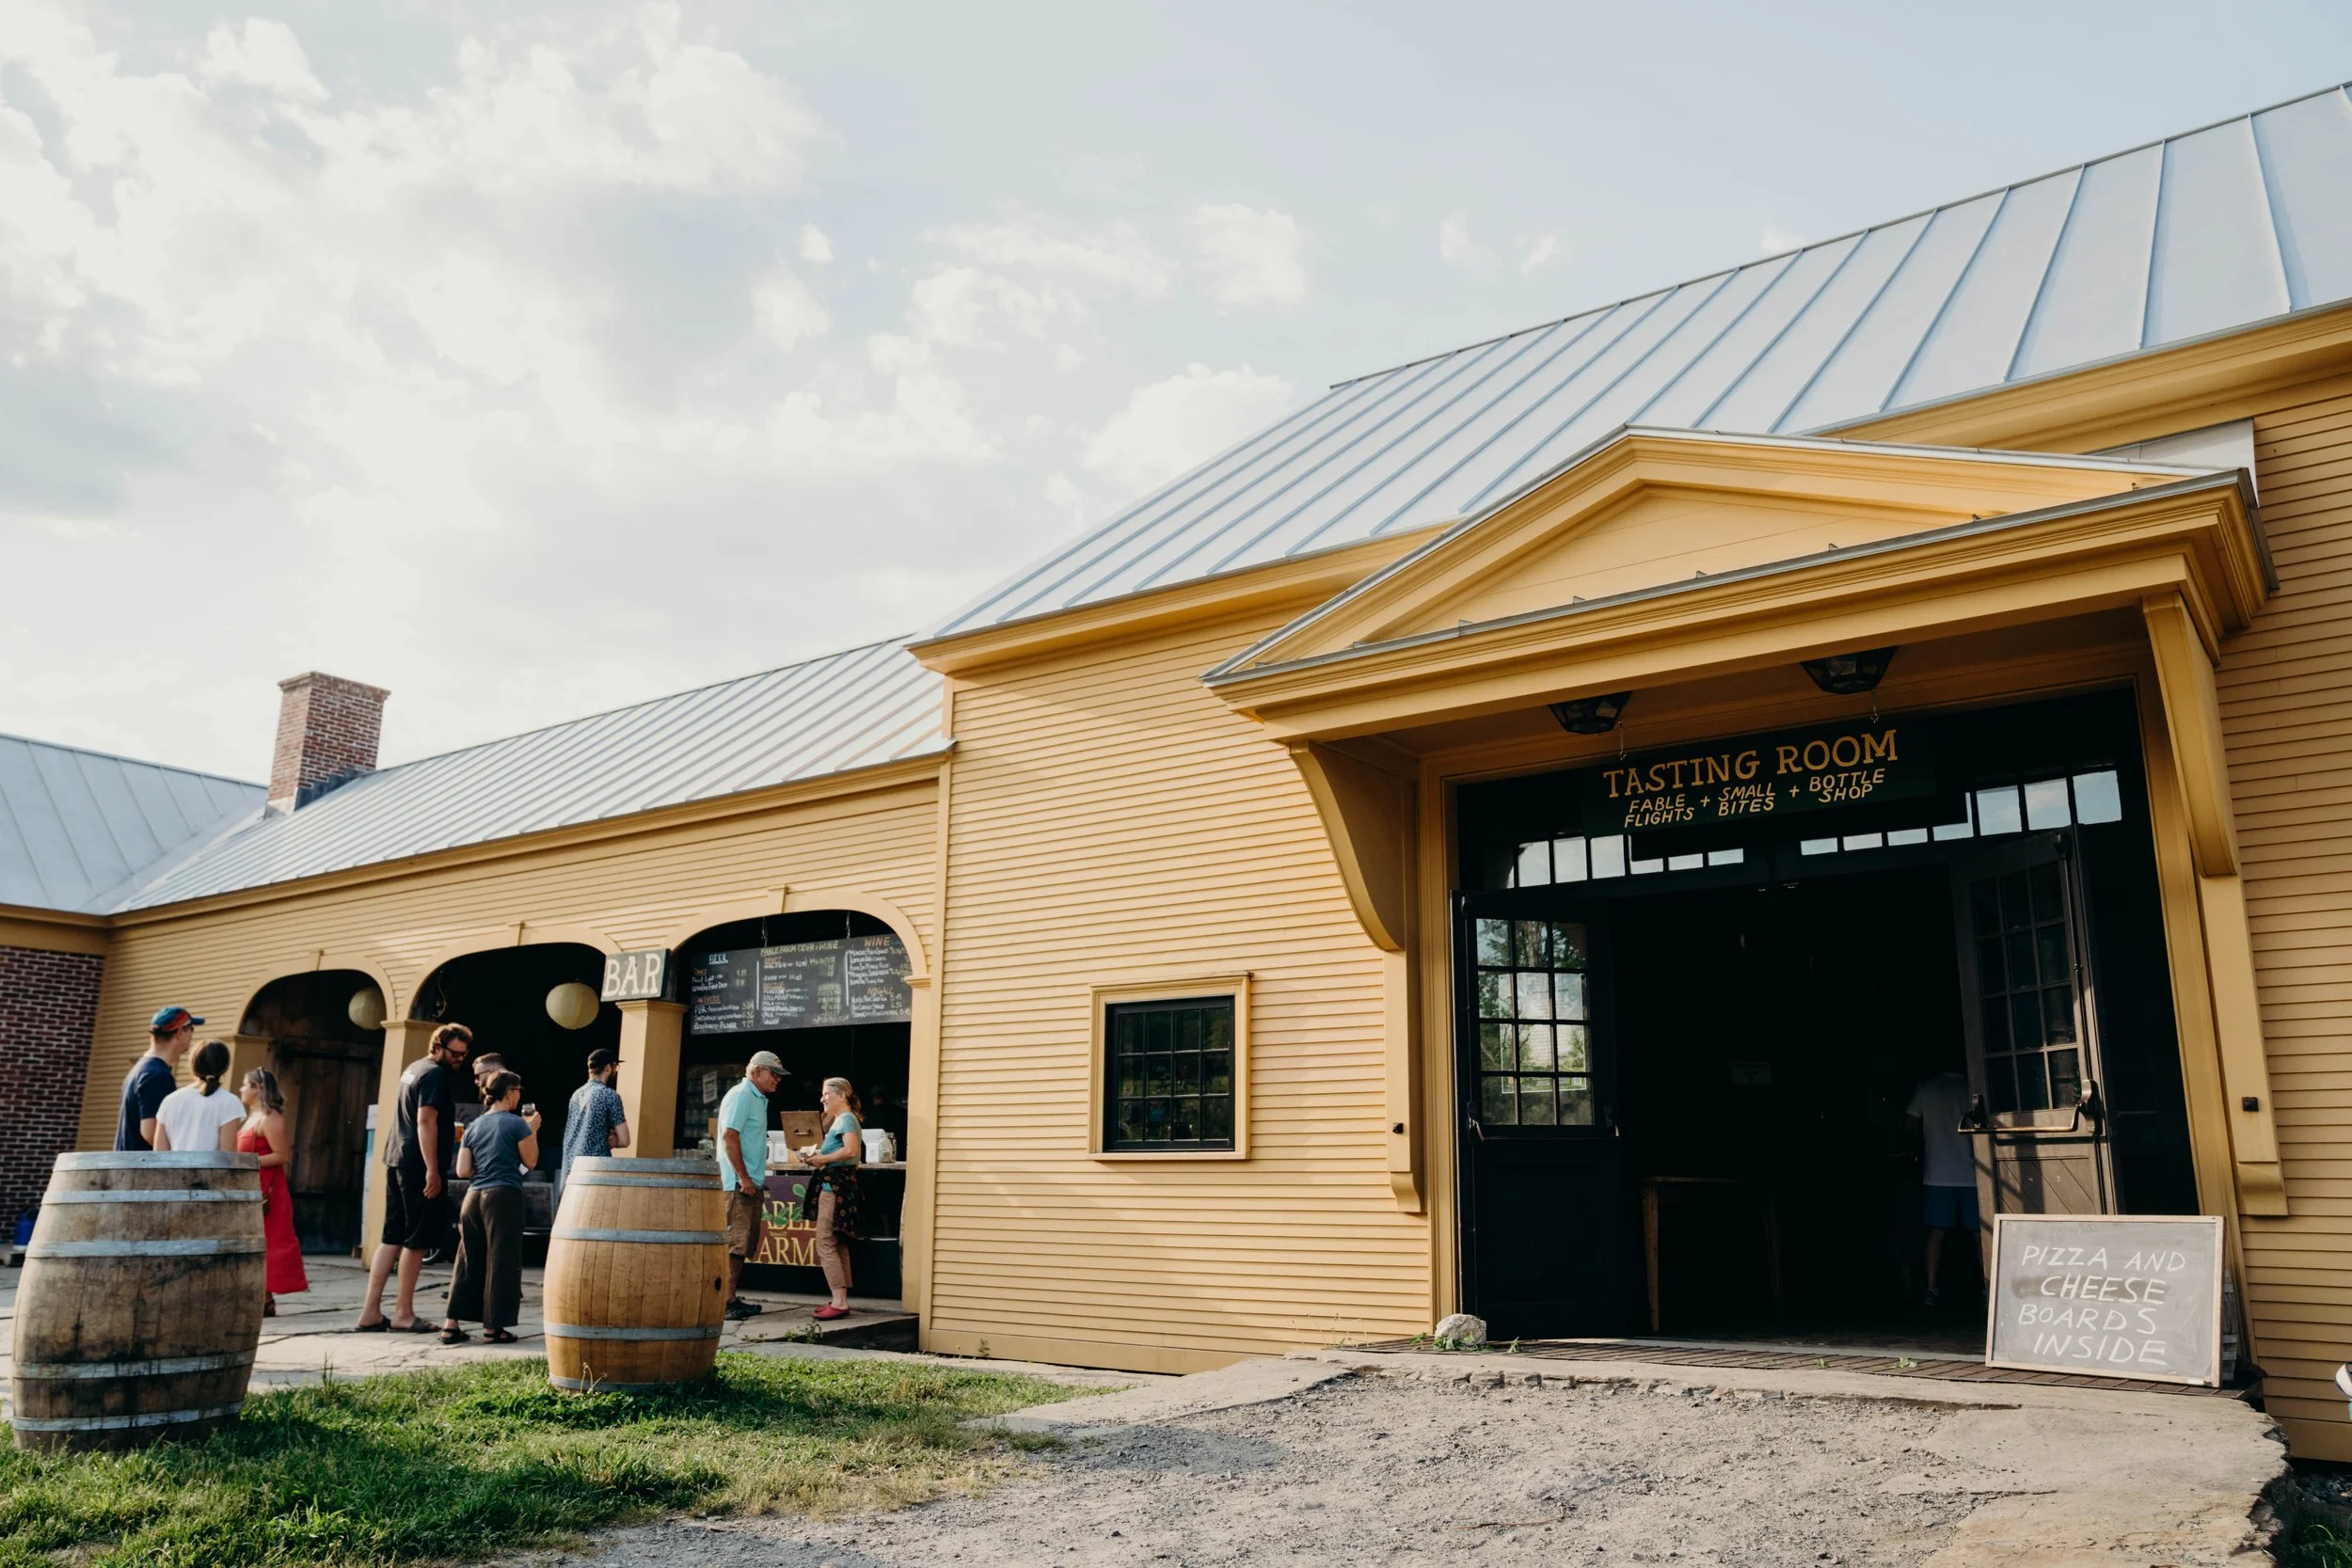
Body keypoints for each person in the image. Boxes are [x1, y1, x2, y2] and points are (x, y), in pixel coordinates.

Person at [356, 1022, 471, 1332]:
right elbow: (424, 1121)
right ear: (438, 1047)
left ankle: (370, 1312)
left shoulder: (413, 1069)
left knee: (391, 1236)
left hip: (396, 1158)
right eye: (455, 1053)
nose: (459, 1059)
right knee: (416, 1239)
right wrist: (433, 1169)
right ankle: (403, 1314)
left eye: (464, 1054)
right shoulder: (434, 1074)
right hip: (418, 1166)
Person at [442, 1069, 539, 1345]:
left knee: (467, 1260)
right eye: (518, 1090)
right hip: (503, 1196)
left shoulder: (474, 1125)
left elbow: (462, 1170)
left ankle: (451, 1325)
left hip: (473, 1197)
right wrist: (532, 1130)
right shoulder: (517, 1124)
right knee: (502, 1261)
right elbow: (530, 1162)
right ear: (509, 1093)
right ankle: (493, 1328)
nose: (520, 1096)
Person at [1905, 1067, 1979, 1308]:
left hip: (1938, 1169)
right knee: (1981, 1233)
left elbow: (1910, 1122)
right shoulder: (1972, 1086)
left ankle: (1931, 1288)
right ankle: (1988, 1287)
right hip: (1973, 1169)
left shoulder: (1927, 1088)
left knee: (1936, 1233)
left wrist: (1922, 1146)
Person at [718, 1051, 784, 1321]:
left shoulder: (757, 1098)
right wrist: (744, 1178)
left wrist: (755, 1179)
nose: (777, 1080)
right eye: (773, 1074)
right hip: (737, 1185)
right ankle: (725, 1300)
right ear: (756, 1071)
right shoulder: (742, 1095)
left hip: (748, 1183)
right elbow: (729, 1136)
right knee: (735, 1244)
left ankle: (729, 1297)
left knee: (742, 1244)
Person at [238, 1068, 309, 1314]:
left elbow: (282, 1155)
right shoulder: (252, 1116)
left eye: (245, 1085)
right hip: (252, 1186)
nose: (241, 1089)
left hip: (268, 1190)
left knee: (271, 1242)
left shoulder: (270, 1118)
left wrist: (248, 1161)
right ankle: (261, 1295)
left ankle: (266, 1298)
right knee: (255, 1241)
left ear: (258, 1088)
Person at [794, 1076, 865, 1322]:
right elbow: (841, 1151)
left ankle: (838, 1301)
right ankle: (840, 1299)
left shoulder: (845, 1119)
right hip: (837, 1185)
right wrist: (812, 1155)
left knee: (825, 1241)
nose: (822, 1098)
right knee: (837, 1242)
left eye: (826, 1094)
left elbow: (851, 1150)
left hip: (835, 1187)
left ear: (841, 1095)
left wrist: (822, 1159)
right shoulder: (840, 1120)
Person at [116, 1006, 199, 1150]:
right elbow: (151, 1132)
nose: (192, 1036)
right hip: (143, 1169)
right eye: (191, 1029)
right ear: (180, 1033)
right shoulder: (157, 1076)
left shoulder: (142, 1068)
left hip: (129, 1166)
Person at [557, 1046, 630, 1203]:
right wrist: (614, 1138)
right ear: (609, 1067)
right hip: (597, 1171)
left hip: (572, 1170)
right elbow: (625, 1140)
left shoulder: (576, 1094)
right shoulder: (609, 1095)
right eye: (616, 1067)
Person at [152, 1040, 247, 1153]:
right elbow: (227, 1157)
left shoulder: (170, 1100)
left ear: (193, 1064)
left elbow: (159, 1153)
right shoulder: (230, 1102)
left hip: (175, 1170)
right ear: (225, 1067)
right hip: (211, 1170)